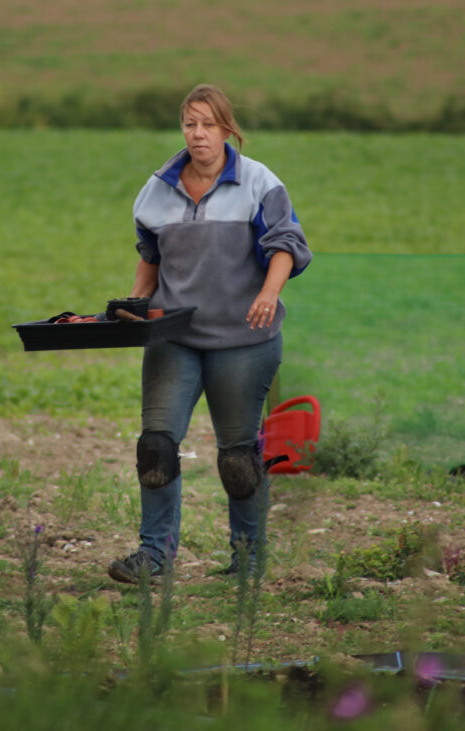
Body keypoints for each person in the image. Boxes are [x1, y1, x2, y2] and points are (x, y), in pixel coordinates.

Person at [107, 84, 312, 584]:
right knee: (155, 447)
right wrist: (136, 302)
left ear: (226, 129)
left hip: (244, 340)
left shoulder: (259, 182)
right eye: (189, 124)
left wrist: (268, 292)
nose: (198, 134)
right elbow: (150, 254)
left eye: (207, 124)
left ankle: (248, 561)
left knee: (238, 459)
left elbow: (286, 243)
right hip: (173, 336)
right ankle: (155, 557)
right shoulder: (158, 186)